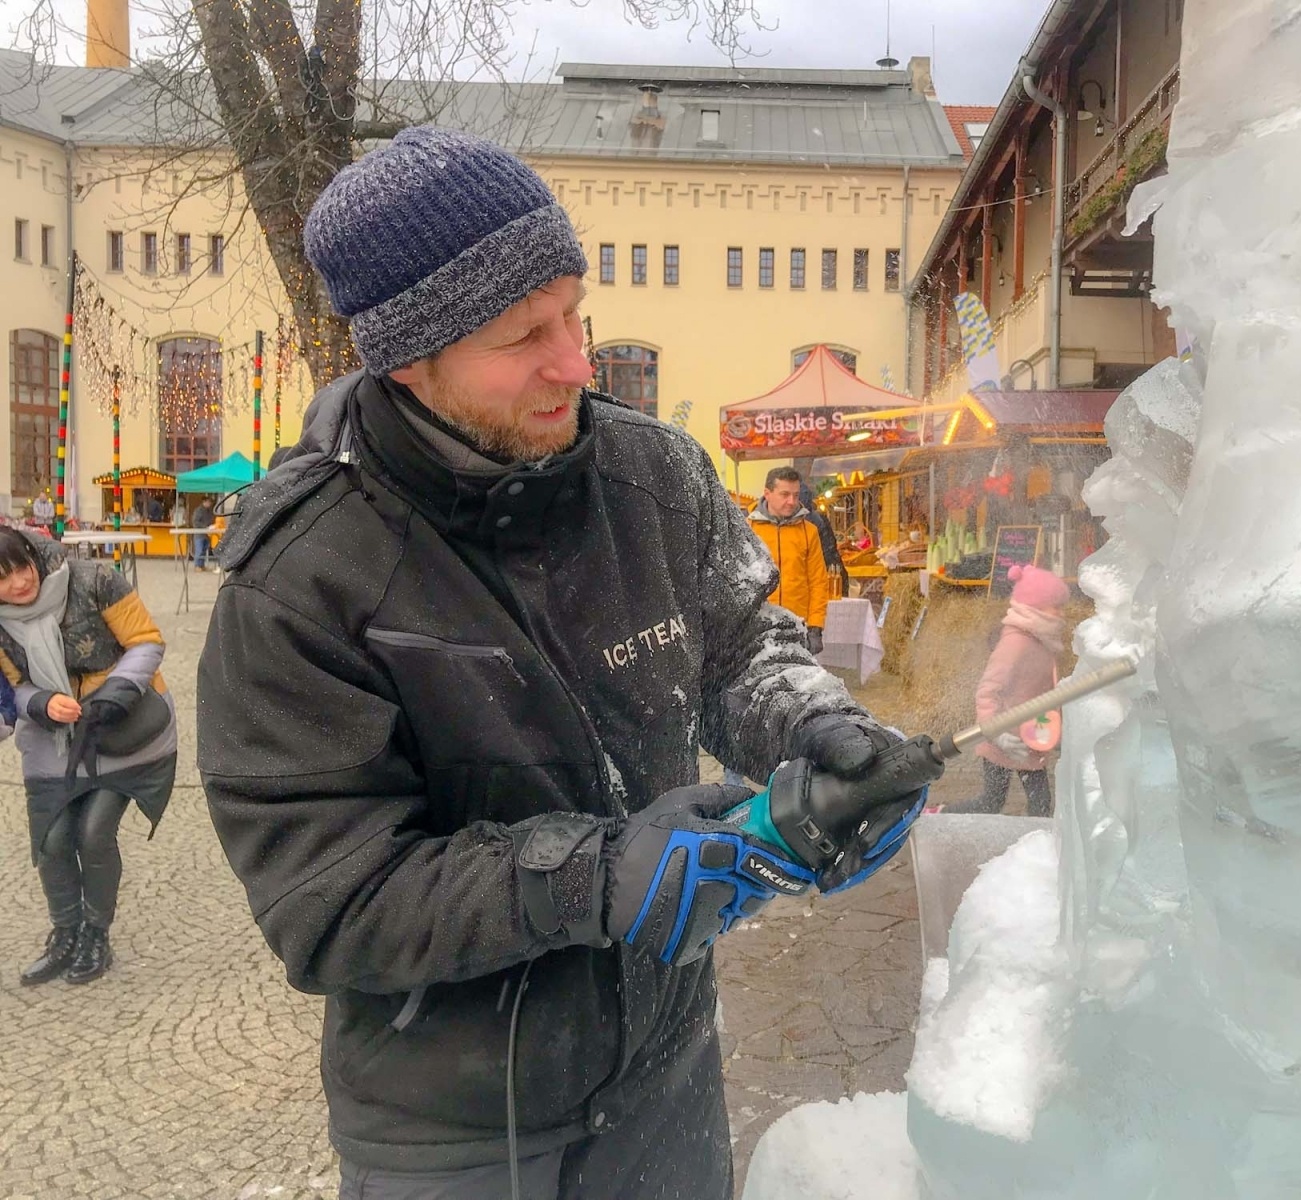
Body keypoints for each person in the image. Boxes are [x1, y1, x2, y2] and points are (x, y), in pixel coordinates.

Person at [196, 126, 924, 1200]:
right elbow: (331, 901)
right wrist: (593, 878)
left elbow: (740, 648)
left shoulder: (656, 474)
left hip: (668, 1078)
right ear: (407, 358)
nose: (577, 363)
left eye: (575, 313)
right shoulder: (302, 578)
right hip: (458, 1139)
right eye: (524, 335)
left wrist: (822, 726)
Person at [0, 527, 178, 986]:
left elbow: (146, 640)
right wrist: (41, 703)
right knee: (53, 838)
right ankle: (65, 933)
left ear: (33, 556)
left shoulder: (92, 579)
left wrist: (116, 691)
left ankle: (96, 934)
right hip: (54, 738)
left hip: (121, 727)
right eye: (3, 578)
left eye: (21, 568)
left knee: (95, 833)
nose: (19, 583)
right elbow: (14, 688)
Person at [956, 564, 1069, 818]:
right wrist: (997, 734)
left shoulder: (1042, 640)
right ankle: (941, 813)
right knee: (991, 803)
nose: (1062, 613)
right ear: (1037, 606)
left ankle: (1036, 840)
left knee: (1040, 804)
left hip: (1031, 737)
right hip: (1004, 740)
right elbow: (987, 692)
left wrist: (1057, 731)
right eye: (1056, 606)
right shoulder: (1016, 644)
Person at [748, 467, 830, 654]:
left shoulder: (809, 532)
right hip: (758, 627)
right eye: (785, 494)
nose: (792, 501)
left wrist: (816, 626)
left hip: (798, 625)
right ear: (767, 493)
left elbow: (818, 581)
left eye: (795, 495)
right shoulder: (749, 529)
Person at [799, 483, 848, 590]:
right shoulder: (819, 518)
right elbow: (831, 550)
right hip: (828, 572)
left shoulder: (805, 522)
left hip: (815, 577)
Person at [190, 497, 215, 571]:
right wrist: (205, 527)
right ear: (204, 502)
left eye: (210, 502)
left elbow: (211, 519)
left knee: (204, 550)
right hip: (199, 534)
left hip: (207, 534)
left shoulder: (209, 511)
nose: (210, 504)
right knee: (199, 550)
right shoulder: (198, 511)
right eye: (208, 502)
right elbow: (195, 522)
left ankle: (201, 565)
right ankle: (197, 565)